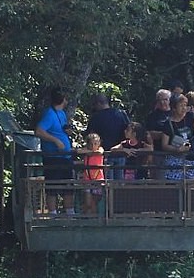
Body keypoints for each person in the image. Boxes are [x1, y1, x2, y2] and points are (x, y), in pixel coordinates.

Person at [33, 87, 76, 215]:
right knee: (52, 185)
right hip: (53, 157)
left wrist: (67, 131)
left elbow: (62, 128)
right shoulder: (49, 114)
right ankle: (53, 213)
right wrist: (55, 141)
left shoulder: (62, 113)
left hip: (65, 157)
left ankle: (69, 212)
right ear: (62, 99)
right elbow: (39, 131)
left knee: (68, 184)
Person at [85, 94, 130, 181]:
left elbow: (89, 136)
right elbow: (129, 131)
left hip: (104, 154)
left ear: (98, 104)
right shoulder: (121, 114)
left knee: (107, 184)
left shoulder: (96, 117)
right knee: (119, 183)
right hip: (120, 152)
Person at [164, 92, 194, 181]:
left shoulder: (190, 116)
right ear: (174, 108)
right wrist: (177, 150)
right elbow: (164, 145)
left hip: (192, 156)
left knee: (191, 187)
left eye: (185, 105)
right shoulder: (168, 123)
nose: (184, 108)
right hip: (175, 159)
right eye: (181, 106)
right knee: (175, 187)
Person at [144, 89, 173, 179]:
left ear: (169, 100)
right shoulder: (152, 116)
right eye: (159, 100)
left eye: (165, 99)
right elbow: (148, 133)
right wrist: (165, 135)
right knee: (160, 180)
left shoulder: (175, 114)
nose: (162, 102)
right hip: (158, 153)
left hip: (175, 152)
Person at [77, 132, 104, 216]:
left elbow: (100, 152)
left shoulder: (100, 149)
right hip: (87, 179)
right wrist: (88, 151)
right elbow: (78, 151)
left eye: (95, 143)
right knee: (88, 202)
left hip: (98, 179)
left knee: (94, 202)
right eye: (91, 144)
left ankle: (94, 219)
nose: (93, 146)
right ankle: (88, 218)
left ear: (99, 143)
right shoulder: (86, 151)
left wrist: (91, 153)